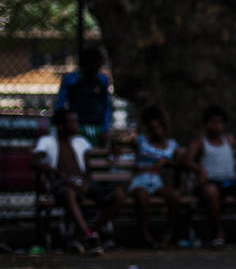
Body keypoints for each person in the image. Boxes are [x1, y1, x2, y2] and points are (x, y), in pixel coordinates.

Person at [32, 109, 125, 254]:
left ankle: (86, 234)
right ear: (62, 126)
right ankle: (89, 236)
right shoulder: (47, 141)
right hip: (61, 186)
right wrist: (57, 173)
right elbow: (35, 161)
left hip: (83, 185)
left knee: (119, 195)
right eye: (73, 122)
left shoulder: (81, 142)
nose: (77, 126)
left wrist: (87, 182)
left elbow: (89, 168)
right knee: (69, 193)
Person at [184, 106, 236, 249]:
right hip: (211, 182)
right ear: (206, 124)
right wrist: (199, 169)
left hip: (229, 181)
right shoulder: (200, 142)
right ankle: (218, 233)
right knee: (211, 191)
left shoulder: (229, 140)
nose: (217, 126)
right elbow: (187, 161)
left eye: (220, 122)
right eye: (213, 122)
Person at [129, 106, 182, 248]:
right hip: (140, 179)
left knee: (174, 196)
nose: (156, 131)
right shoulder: (140, 141)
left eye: (159, 127)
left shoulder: (172, 144)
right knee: (141, 196)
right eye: (152, 128)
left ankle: (169, 234)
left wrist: (165, 162)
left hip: (159, 181)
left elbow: (179, 163)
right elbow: (121, 145)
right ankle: (145, 235)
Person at [56, 47, 112, 148]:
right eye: (94, 67)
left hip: (97, 125)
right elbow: (60, 104)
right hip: (77, 125)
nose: (96, 70)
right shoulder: (71, 80)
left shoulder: (102, 80)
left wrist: (105, 128)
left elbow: (107, 105)